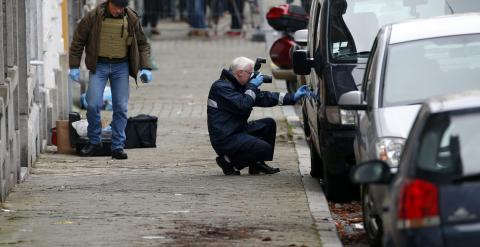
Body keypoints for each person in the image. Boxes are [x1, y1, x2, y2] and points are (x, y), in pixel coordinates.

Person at [69, 0, 153, 159]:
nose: (118, 10)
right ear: (109, 3)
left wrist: (146, 67)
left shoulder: (131, 18)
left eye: (122, 7)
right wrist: (74, 65)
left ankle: (118, 146)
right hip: (99, 65)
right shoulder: (94, 16)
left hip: (121, 66)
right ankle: (94, 141)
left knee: (121, 107)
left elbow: (143, 44)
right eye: (116, 7)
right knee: (92, 104)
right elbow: (78, 40)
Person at [207, 57, 310, 175]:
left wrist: (293, 97)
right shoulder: (221, 87)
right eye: (250, 74)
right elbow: (243, 105)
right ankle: (229, 161)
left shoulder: (238, 86)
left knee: (268, 124)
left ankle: (256, 164)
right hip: (225, 138)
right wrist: (252, 87)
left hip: (236, 130)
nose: (252, 77)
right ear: (240, 73)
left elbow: (264, 98)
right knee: (264, 148)